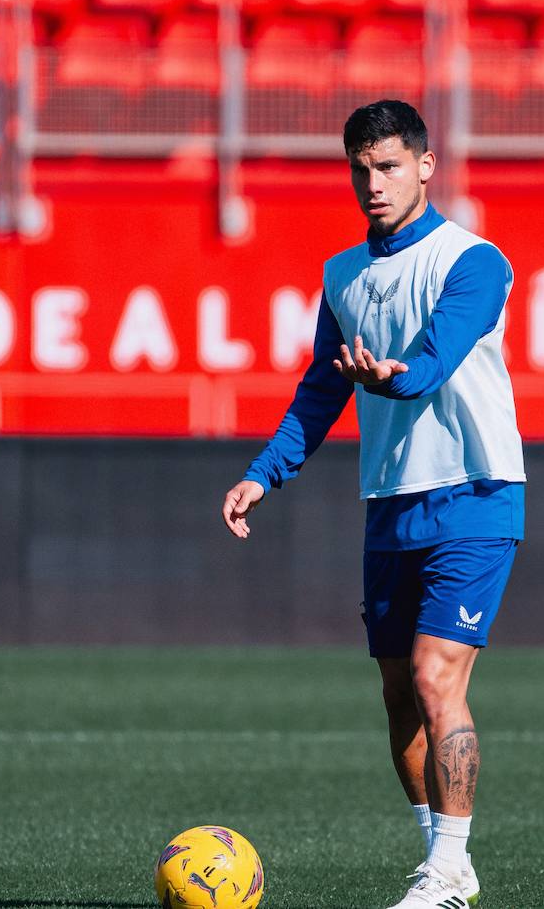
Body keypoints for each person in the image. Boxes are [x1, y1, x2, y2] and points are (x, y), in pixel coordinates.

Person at [221, 99, 524, 909]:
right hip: (389, 502)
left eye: (389, 166)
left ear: (426, 166)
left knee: (435, 678)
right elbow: (320, 390)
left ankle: (448, 874)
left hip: (475, 490)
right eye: (360, 168)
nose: (373, 182)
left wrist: (392, 376)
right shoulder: (342, 274)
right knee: (397, 692)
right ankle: (445, 863)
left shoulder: (475, 262)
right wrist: (265, 472)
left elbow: (431, 363)